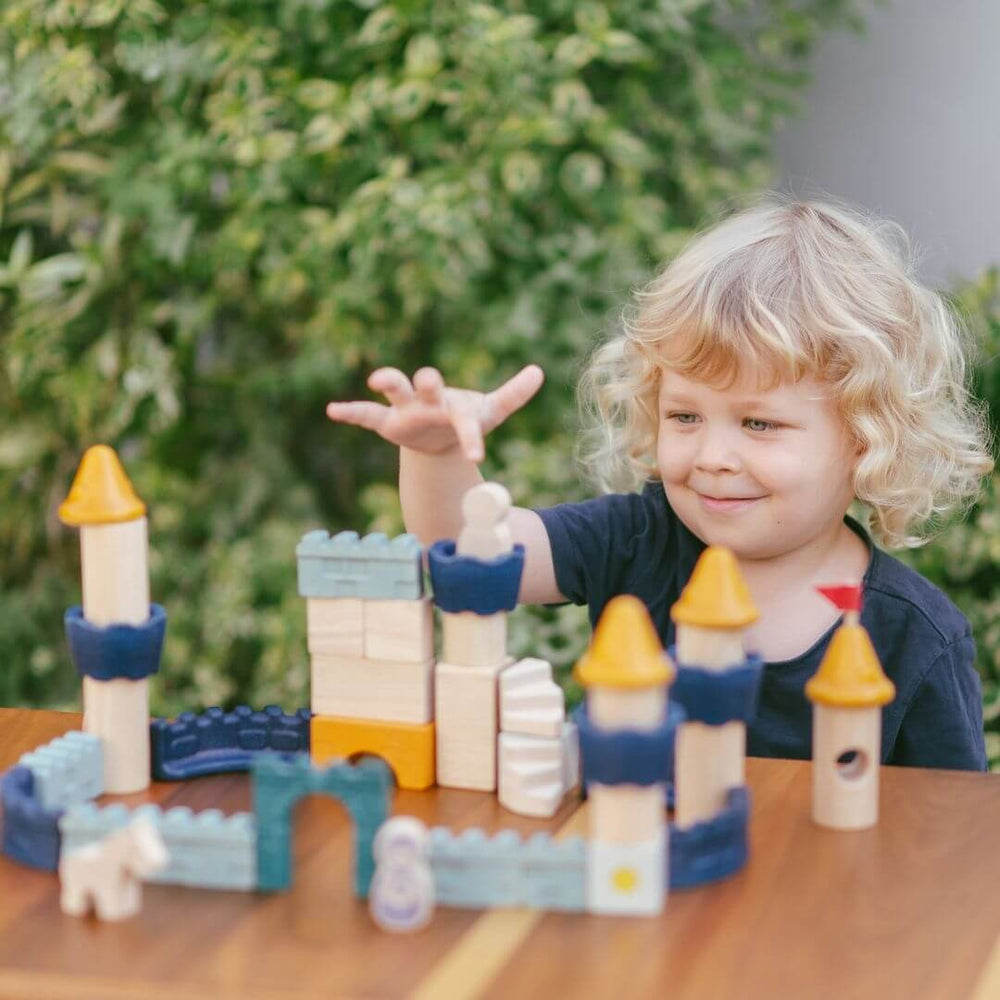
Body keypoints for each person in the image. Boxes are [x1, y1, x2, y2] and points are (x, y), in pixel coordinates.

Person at [326, 195, 995, 771]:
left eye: (758, 424)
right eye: (685, 416)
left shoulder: (916, 638)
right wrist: (438, 453)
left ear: (863, 438)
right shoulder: (636, 542)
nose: (712, 456)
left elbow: (946, 838)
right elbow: (472, 555)